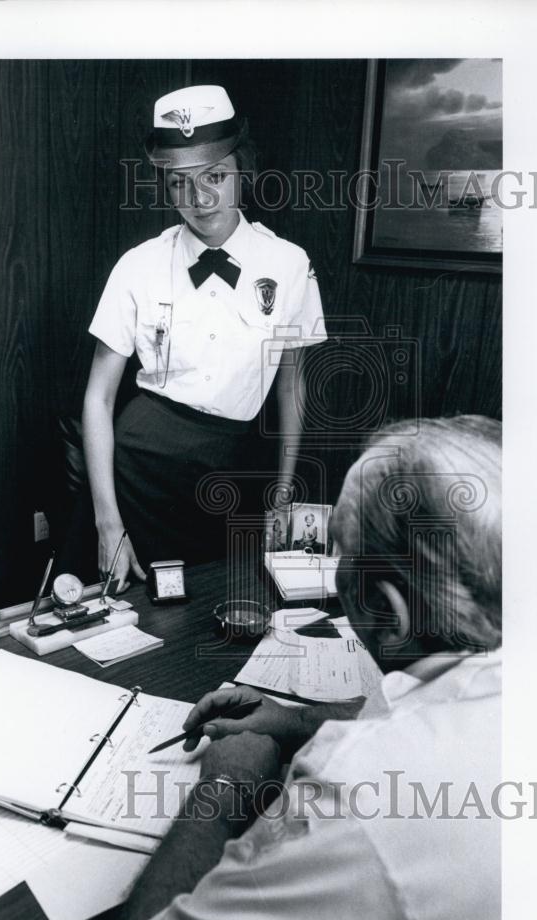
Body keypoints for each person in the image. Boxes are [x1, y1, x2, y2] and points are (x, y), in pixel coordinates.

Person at [116, 415, 502, 920]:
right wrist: (292, 720)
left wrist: (229, 783)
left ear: (387, 612)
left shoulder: (354, 795)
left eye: (338, 553)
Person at [74, 84, 326, 589]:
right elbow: (98, 398)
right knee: (139, 614)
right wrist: (108, 522)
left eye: (215, 176)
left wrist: (282, 491)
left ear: (243, 171)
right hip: (141, 468)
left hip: (236, 468)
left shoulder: (290, 264)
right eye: (178, 183)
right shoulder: (138, 265)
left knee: (227, 609)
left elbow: (291, 386)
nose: (199, 198)